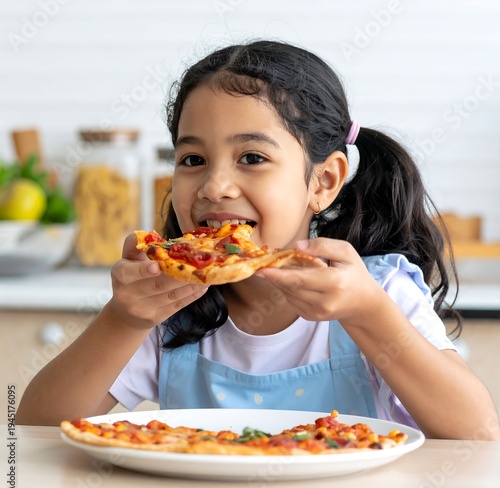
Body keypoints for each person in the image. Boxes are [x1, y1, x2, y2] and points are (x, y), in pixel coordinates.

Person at [17, 40, 500, 440]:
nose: (213, 186)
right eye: (192, 160)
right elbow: (33, 433)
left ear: (323, 182)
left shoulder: (377, 292)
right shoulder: (168, 309)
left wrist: (368, 315)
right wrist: (121, 320)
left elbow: (479, 437)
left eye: (251, 157)